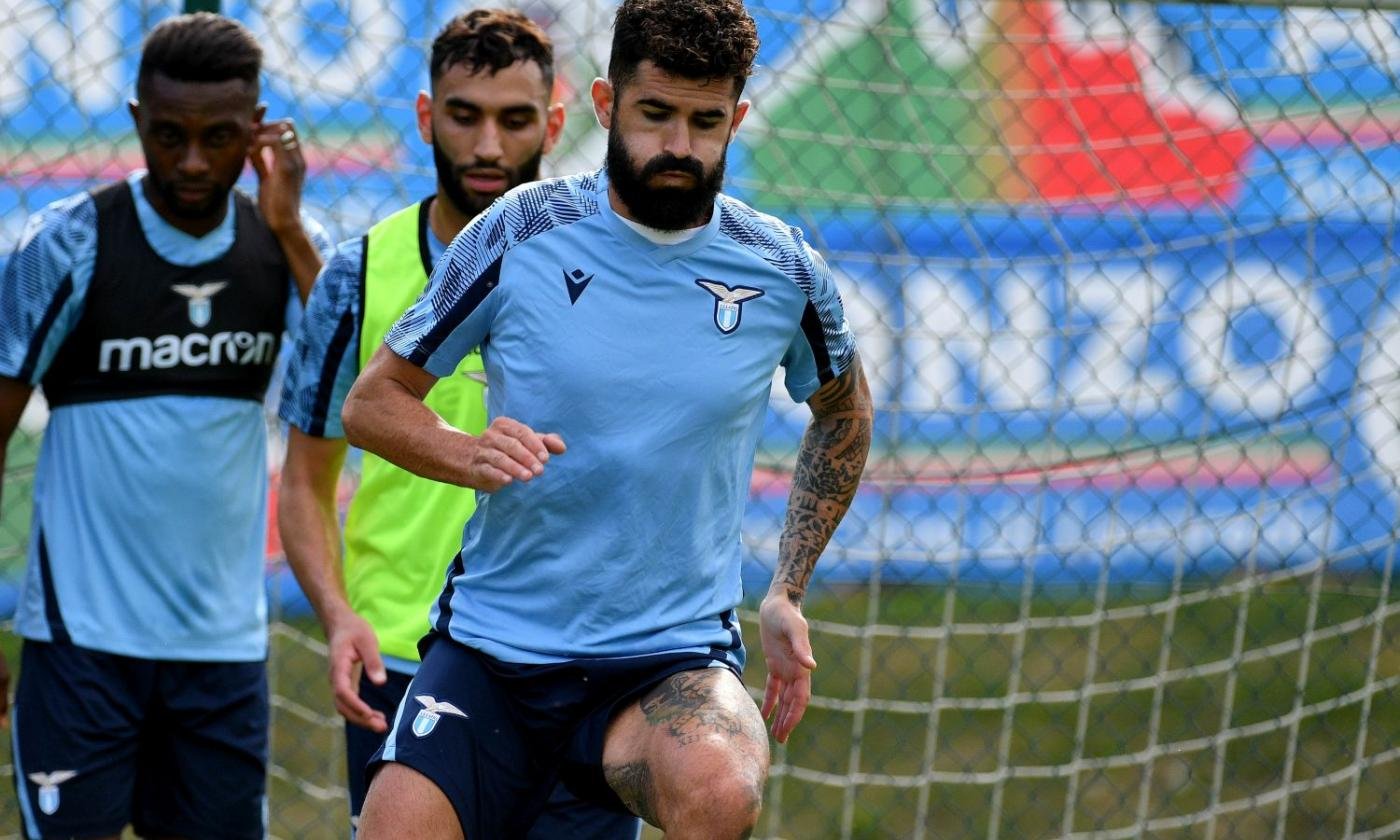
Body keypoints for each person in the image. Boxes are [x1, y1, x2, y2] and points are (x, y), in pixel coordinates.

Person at [341, 0, 873, 835]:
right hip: (494, 653)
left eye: (706, 122)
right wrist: (465, 451)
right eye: (654, 113)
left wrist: (787, 589)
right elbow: (373, 401)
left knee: (720, 785)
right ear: (604, 102)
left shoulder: (781, 269)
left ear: (736, 119)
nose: (679, 145)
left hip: (664, 663)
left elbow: (843, 412)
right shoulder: (518, 231)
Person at [277, 9, 639, 837]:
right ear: (424, 115)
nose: (486, 146)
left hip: (569, 654)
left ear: (554, 123)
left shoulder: (616, 271)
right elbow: (304, 479)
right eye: (464, 116)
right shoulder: (359, 273)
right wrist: (338, 615)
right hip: (401, 655)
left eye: (514, 120)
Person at [0, 13, 328, 838]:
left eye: (219, 138)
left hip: (221, 653)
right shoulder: (67, 244)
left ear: (257, 130)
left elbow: (349, 391)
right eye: (169, 135)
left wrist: (289, 230)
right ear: (136, 118)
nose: (192, 162)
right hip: (80, 648)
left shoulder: (288, 245)